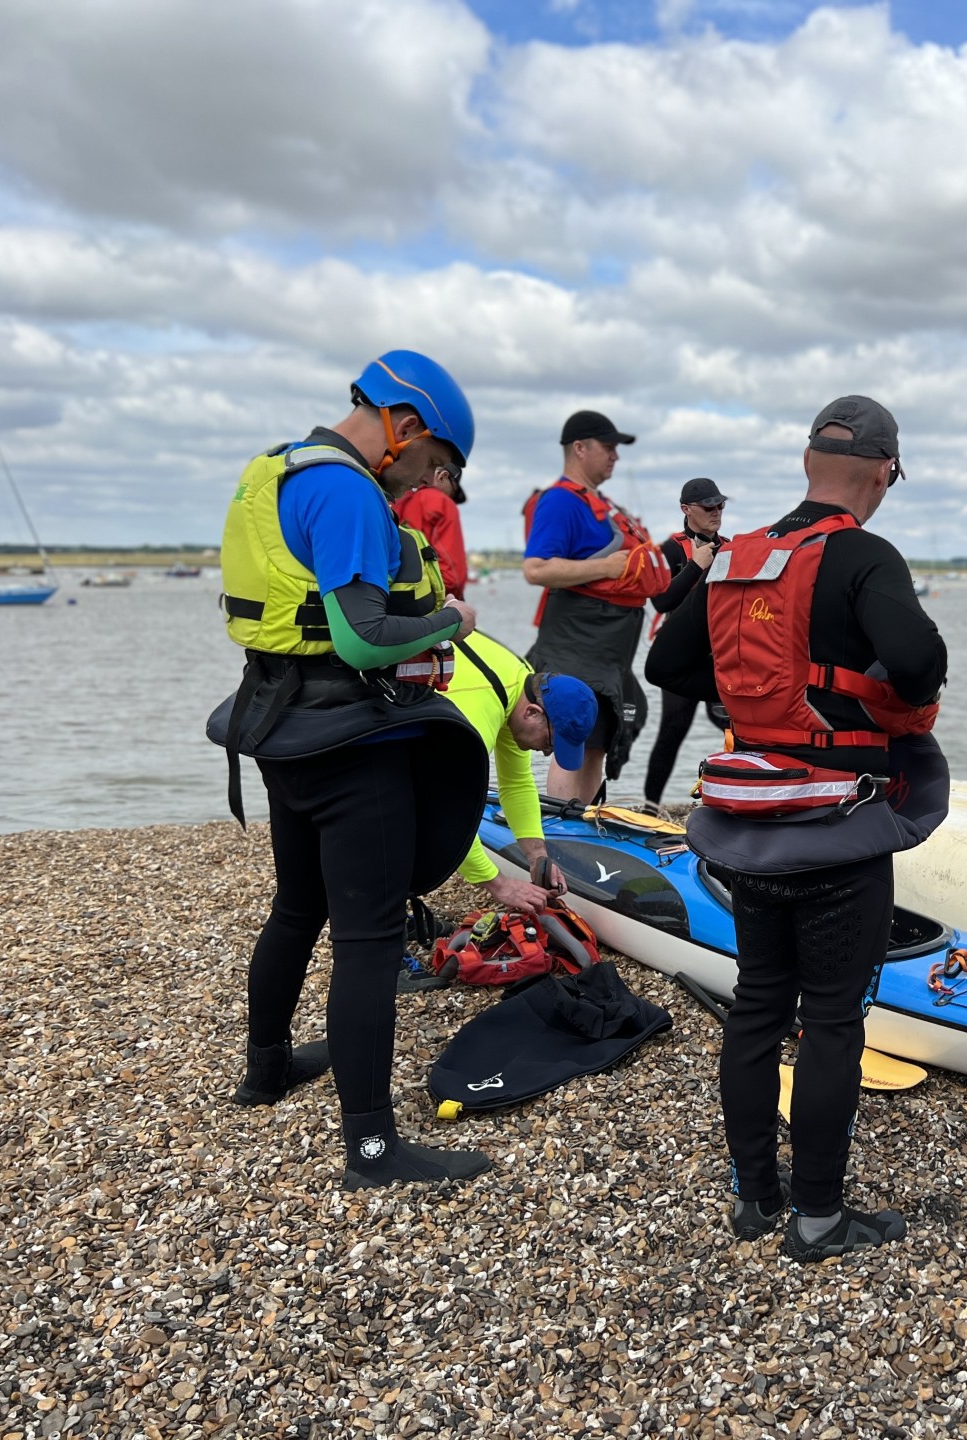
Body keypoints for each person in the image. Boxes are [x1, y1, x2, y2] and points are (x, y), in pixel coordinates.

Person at [646, 396, 949, 1263]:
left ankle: (753, 1198)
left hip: (746, 821)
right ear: (884, 471)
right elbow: (922, 662)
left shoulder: (740, 555)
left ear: (807, 461)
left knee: (755, 1010)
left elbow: (667, 663)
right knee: (832, 1023)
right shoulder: (862, 554)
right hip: (836, 825)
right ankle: (817, 1217)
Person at [208, 349, 494, 1190]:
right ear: (404, 426)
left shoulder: (280, 468)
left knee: (297, 908)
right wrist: (450, 618)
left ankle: (265, 1072)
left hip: (282, 729)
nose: (421, 486)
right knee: (368, 942)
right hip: (351, 746)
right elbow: (365, 638)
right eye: (433, 464)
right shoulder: (346, 490)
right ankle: (373, 1149)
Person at [522, 410, 670, 803]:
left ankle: (582, 826)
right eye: (608, 447)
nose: (615, 456)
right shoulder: (560, 502)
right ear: (579, 447)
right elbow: (536, 569)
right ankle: (561, 830)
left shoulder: (601, 503)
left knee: (599, 737)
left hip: (610, 652)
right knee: (574, 731)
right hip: (577, 640)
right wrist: (605, 566)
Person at [441, 632, 599, 913]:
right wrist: (498, 884)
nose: (548, 753)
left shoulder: (521, 682)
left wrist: (537, 856)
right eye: (551, 741)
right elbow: (443, 812)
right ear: (533, 713)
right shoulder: (473, 719)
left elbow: (516, 782)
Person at [641, 477, 732, 809]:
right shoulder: (670, 548)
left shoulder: (732, 546)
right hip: (679, 656)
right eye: (709, 506)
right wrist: (696, 566)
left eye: (720, 505)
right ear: (686, 510)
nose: (716, 512)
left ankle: (732, 796)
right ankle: (651, 805)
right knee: (673, 729)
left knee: (734, 725)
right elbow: (661, 602)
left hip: (720, 653)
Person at [394, 461, 469, 599]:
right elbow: (453, 576)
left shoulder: (397, 501)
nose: (451, 497)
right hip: (435, 598)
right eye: (453, 490)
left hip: (396, 596)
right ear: (442, 476)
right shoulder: (441, 502)